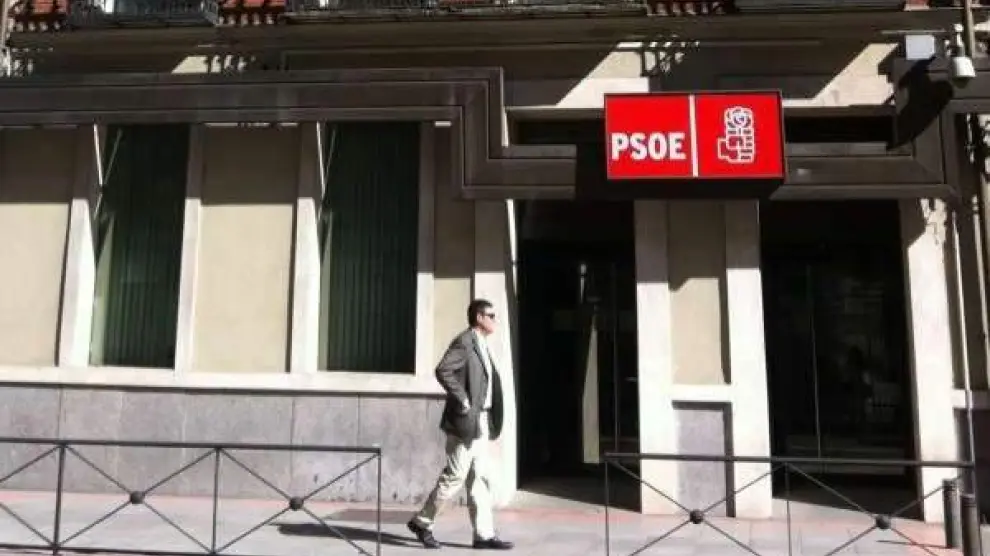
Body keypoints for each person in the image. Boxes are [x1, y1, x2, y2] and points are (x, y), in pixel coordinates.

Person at [407, 299, 514, 551]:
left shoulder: (482, 344)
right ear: (479, 317)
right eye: (491, 315)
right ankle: (422, 522)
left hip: (481, 421)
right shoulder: (465, 342)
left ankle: (484, 535)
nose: (495, 320)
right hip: (466, 422)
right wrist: (462, 398)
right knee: (455, 476)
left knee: (480, 479)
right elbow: (443, 370)